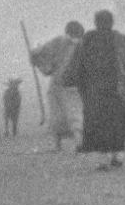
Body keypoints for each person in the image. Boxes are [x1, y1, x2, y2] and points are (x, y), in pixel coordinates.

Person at [62, 9, 125, 169]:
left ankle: (103, 159)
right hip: (118, 89)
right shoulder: (121, 39)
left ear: (96, 22)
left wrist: (69, 78)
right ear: (112, 22)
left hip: (94, 89)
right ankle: (118, 155)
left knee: (99, 123)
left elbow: (78, 63)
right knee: (117, 122)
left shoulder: (88, 39)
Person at [30, 21, 85, 153]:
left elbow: (39, 53)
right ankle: (76, 142)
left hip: (61, 83)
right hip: (73, 85)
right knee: (73, 113)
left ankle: (60, 145)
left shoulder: (60, 42)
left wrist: (34, 55)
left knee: (58, 113)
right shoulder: (80, 44)